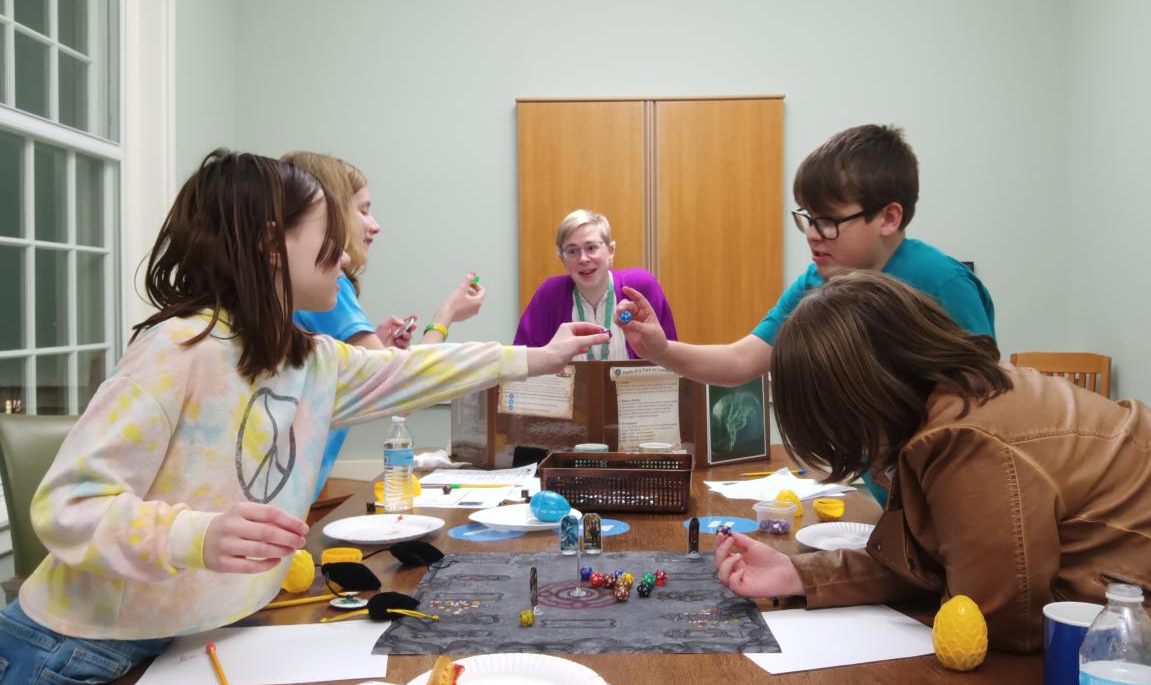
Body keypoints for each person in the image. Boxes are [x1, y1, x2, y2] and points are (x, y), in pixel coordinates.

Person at [0, 150, 608, 685]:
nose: (345, 257)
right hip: (80, 658)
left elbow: (414, 368)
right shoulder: (177, 351)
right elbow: (68, 505)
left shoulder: (311, 359)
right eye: (330, 238)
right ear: (272, 245)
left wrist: (536, 357)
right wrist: (195, 536)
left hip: (192, 643)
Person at [713, 271, 1151, 685]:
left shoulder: (963, 439)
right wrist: (795, 573)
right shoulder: (969, 393)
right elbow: (933, 563)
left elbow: (999, 622)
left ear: (859, 396)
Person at [617, 124, 994, 385]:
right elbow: (740, 361)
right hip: (872, 487)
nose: (813, 235)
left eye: (828, 221)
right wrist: (660, 349)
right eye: (808, 219)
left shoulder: (942, 284)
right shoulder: (818, 281)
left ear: (888, 218)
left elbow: (984, 405)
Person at [284, 151, 486, 493]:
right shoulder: (329, 289)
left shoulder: (318, 292)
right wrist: (444, 317)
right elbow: (402, 393)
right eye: (362, 211)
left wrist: (366, 351)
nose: (374, 225)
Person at [515, 208, 677, 360]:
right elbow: (523, 364)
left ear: (611, 251)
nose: (583, 258)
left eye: (591, 248)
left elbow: (671, 358)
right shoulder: (549, 295)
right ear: (563, 260)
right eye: (572, 251)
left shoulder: (640, 286)